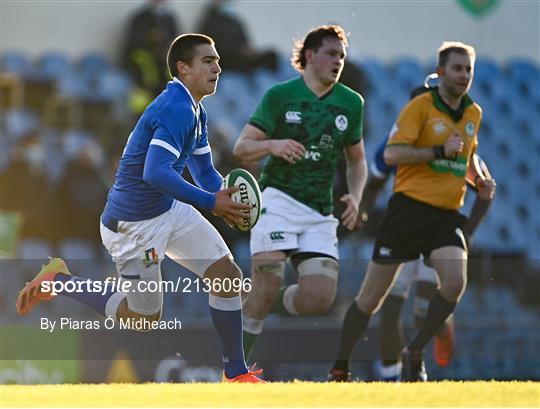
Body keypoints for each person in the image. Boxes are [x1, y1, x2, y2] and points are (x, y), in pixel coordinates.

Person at [16, 33, 264, 383]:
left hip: (169, 209)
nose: (218, 67)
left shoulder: (196, 111)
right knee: (144, 318)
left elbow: (205, 172)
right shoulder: (175, 107)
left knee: (227, 278)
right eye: (208, 60)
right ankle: (58, 280)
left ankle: (236, 374)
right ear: (183, 67)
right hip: (133, 226)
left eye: (218, 60)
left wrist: (226, 195)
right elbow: (155, 171)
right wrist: (211, 202)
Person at [327, 41, 496, 382]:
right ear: (442, 71)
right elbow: (388, 158)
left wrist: (477, 179)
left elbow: (463, 158)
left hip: (445, 215)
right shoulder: (419, 108)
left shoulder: (473, 114)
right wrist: (359, 212)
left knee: (453, 283)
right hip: (407, 213)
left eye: (468, 69)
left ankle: (414, 352)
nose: (464, 75)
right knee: (373, 300)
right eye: (457, 68)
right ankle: (341, 365)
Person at [232, 25, 368, 360]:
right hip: (276, 200)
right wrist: (274, 145)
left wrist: (355, 195)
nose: (338, 62)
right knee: (268, 276)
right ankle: (234, 367)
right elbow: (242, 148)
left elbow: (357, 161)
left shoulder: (351, 103)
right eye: (331, 54)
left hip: (319, 213)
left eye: (342, 56)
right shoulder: (281, 95)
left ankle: (262, 299)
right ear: (310, 55)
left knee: (318, 299)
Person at [121, 0, 182, 113]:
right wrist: (150, 38)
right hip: (141, 77)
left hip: (164, 78)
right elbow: (132, 46)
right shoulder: (139, 19)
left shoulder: (170, 18)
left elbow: (177, 42)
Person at [196, 0, 278, 73]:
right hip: (226, 59)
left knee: (271, 55)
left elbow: (246, 42)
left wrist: (249, 50)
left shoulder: (235, 22)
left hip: (242, 56)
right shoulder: (210, 22)